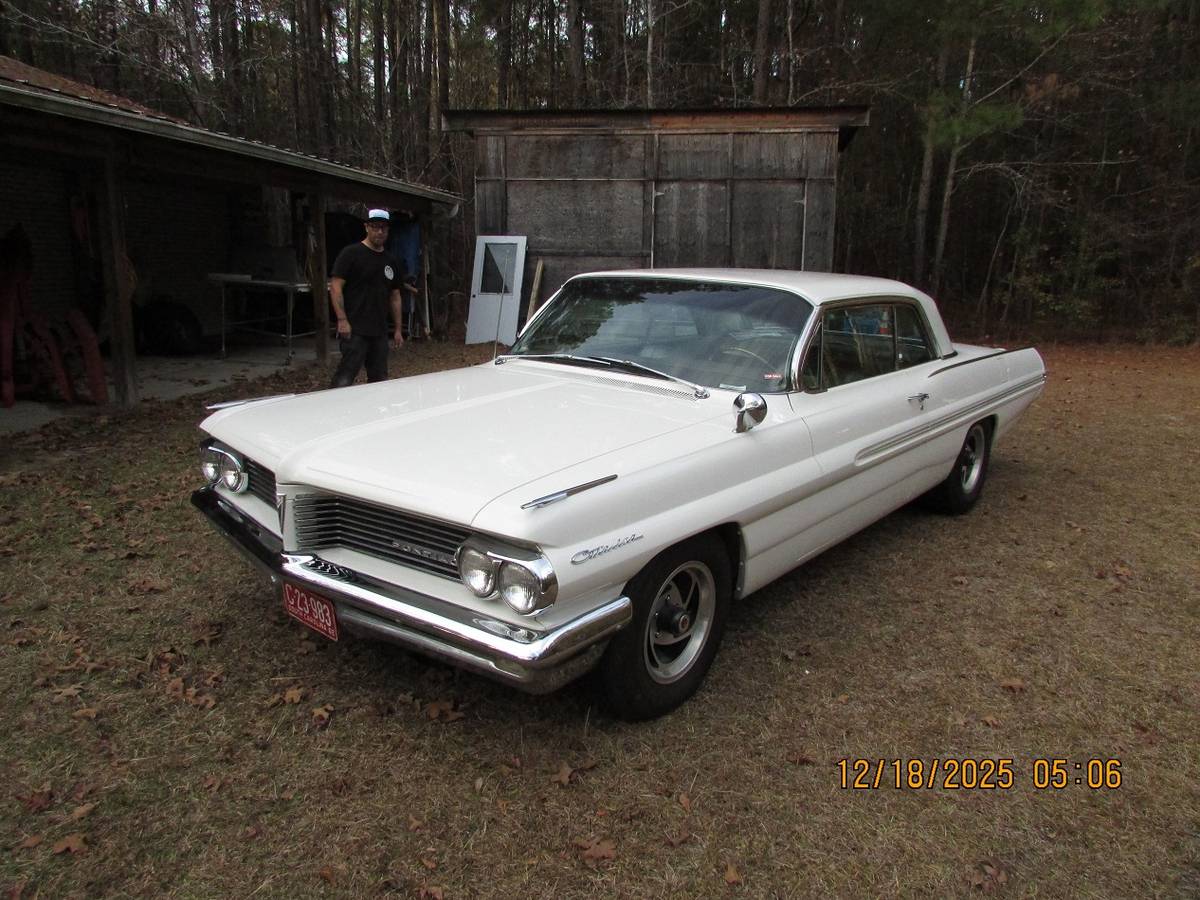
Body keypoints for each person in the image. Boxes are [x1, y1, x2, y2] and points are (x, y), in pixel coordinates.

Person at [328, 208, 404, 388]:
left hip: (380, 331)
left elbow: (395, 296)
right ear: (367, 227)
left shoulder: (391, 260)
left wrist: (398, 329)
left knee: (379, 380)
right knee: (345, 378)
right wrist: (342, 320)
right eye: (375, 227)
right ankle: (334, 403)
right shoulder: (351, 254)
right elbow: (336, 287)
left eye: (383, 228)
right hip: (355, 329)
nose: (380, 232)